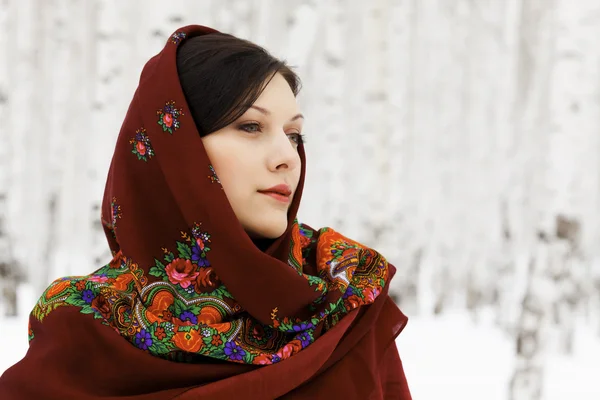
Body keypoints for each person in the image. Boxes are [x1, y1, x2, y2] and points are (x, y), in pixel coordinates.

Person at [0, 25, 411, 399]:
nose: (289, 157)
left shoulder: (344, 298)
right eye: (251, 127)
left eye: (294, 134)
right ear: (176, 151)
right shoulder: (83, 327)